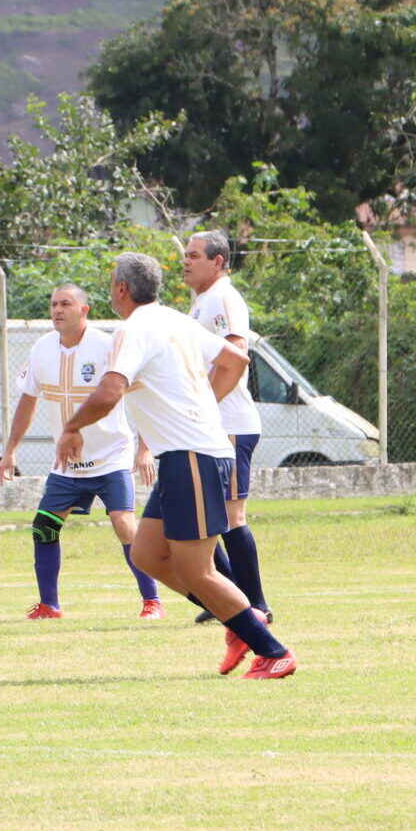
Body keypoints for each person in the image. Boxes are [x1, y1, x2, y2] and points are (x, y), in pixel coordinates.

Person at [57, 253, 295, 678]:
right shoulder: (173, 320)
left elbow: (111, 390)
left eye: (112, 282)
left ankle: (271, 649)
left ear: (121, 290)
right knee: (148, 555)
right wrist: (203, 407)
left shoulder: (134, 330)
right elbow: (235, 361)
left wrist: (71, 428)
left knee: (196, 570)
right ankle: (240, 622)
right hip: (181, 457)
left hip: (194, 457)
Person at [0, 282, 162, 619]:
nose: (57, 310)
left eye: (65, 304)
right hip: (67, 464)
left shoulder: (107, 346)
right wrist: (10, 451)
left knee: (123, 523)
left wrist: (145, 448)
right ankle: (49, 605)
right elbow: (27, 402)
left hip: (111, 456)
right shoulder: (42, 348)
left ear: (84, 310)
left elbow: (142, 396)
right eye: (54, 304)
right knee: (44, 526)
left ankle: (151, 601)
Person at [181, 230, 268, 615]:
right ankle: (230, 597)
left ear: (218, 262)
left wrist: (206, 407)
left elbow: (235, 354)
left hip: (229, 423)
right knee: (200, 513)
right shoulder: (201, 303)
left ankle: (256, 605)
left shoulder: (223, 298)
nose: (186, 260)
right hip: (209, 425)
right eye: (185, 254)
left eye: (195, 255)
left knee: (232, 517)